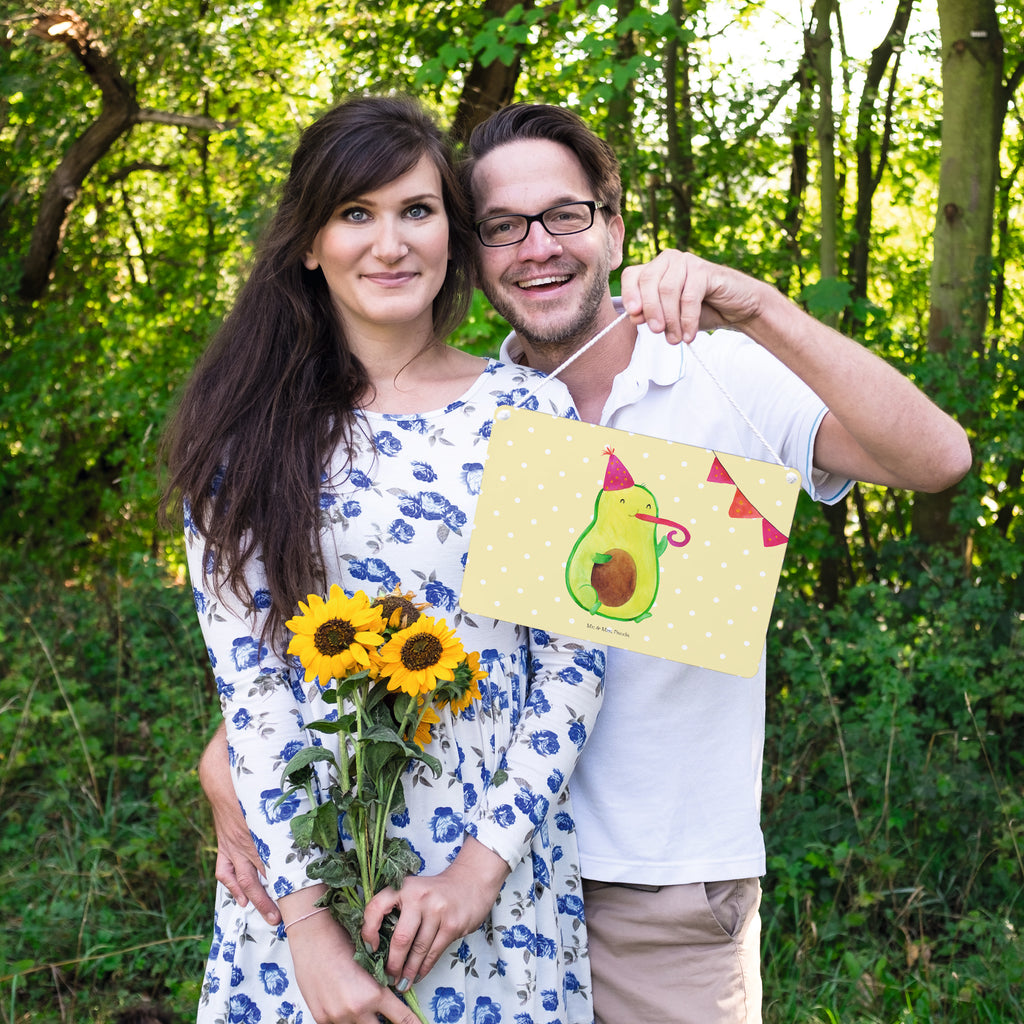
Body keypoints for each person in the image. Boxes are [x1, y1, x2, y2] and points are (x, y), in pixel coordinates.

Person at [202, 102, 972, 1024]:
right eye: (502, 226)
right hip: (436, 876)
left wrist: (760, 306)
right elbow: (340, 632)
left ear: (612, 225)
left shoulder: (713, 372)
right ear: (474, 249)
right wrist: (233, 768)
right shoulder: (463, 414)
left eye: (565, 215)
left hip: (656, 886)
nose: (537, 247)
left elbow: (938, 461)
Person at [163, 96, 609, 1024]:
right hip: (303, 883)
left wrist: (478, 873)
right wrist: (311, 937)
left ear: (452, 229)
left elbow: (572, 664)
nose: (391, 243)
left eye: (417, 210)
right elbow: (253, 692)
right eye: (355, 214)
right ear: (308, 244)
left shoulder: (531, 414)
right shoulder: (244, 438)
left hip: (492, 885)